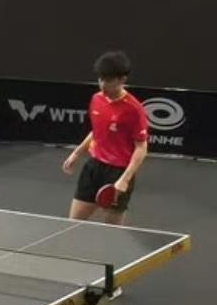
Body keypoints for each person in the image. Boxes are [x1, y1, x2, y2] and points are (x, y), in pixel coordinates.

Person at [61, 50, 150, 227]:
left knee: (111, 231)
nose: (102, 84)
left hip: (118, 172)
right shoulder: (96, 99)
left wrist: (125, 179)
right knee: (72, 225)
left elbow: (141, 147)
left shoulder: (134, 109)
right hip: (93, 167)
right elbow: (96, 131)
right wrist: (76, 154)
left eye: (108, 80)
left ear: (122, 79)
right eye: (100, 79)